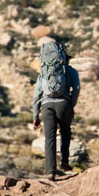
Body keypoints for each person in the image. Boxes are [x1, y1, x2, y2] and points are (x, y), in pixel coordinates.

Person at [31, 35, 80, 180]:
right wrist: (71, 104)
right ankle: (65, 162)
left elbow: (36, 95)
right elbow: (76, 88)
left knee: (49, 138)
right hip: (64, 104)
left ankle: (50, 172)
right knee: (65, 132)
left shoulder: (44, 74)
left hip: (47, 106)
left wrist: (35, 116)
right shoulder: (71, 71)